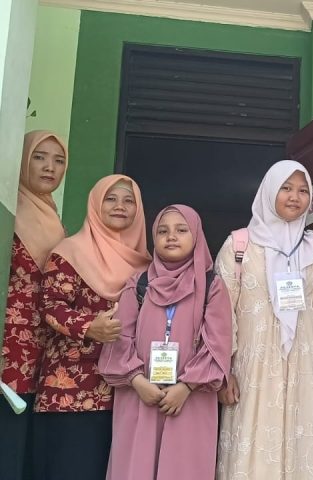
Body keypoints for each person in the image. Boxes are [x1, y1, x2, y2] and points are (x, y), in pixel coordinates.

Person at [216, 161, 313, 479]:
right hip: (252, 373)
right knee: (254, 448)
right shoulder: (238, 246)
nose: (295, 197)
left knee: (306, 449)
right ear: (268, 192)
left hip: (307, 372)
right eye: (286, 188)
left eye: (303, 190)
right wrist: (223, 373)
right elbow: (221, 317)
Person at [99, 204, 232, 480]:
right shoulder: (139, 284)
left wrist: (186, 386)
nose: (171, 237)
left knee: (183, 468)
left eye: (181, 230)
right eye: (163, 231)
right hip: (139, 395)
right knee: (136, 467)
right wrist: (137, 380)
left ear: (196, 236)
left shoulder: (211, 286)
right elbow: (118, 338)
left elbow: (217, 344)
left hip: (190, 398)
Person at [33, 174, 152, 480]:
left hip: (126, 388)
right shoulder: (70, 252)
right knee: (72, 468)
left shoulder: (147, 265)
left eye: (129, 200)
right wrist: (88, 326)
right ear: (96, 204)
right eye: (111, 199)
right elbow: (50, 305)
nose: (120, 206)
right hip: (73, 388)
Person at [1, 131, 68, 480]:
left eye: (59, 160)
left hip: (44, 348)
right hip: (8, 347)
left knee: (28, 448)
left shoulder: (54, 219)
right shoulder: (8, 212)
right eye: (39, 157)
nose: (49, 167)